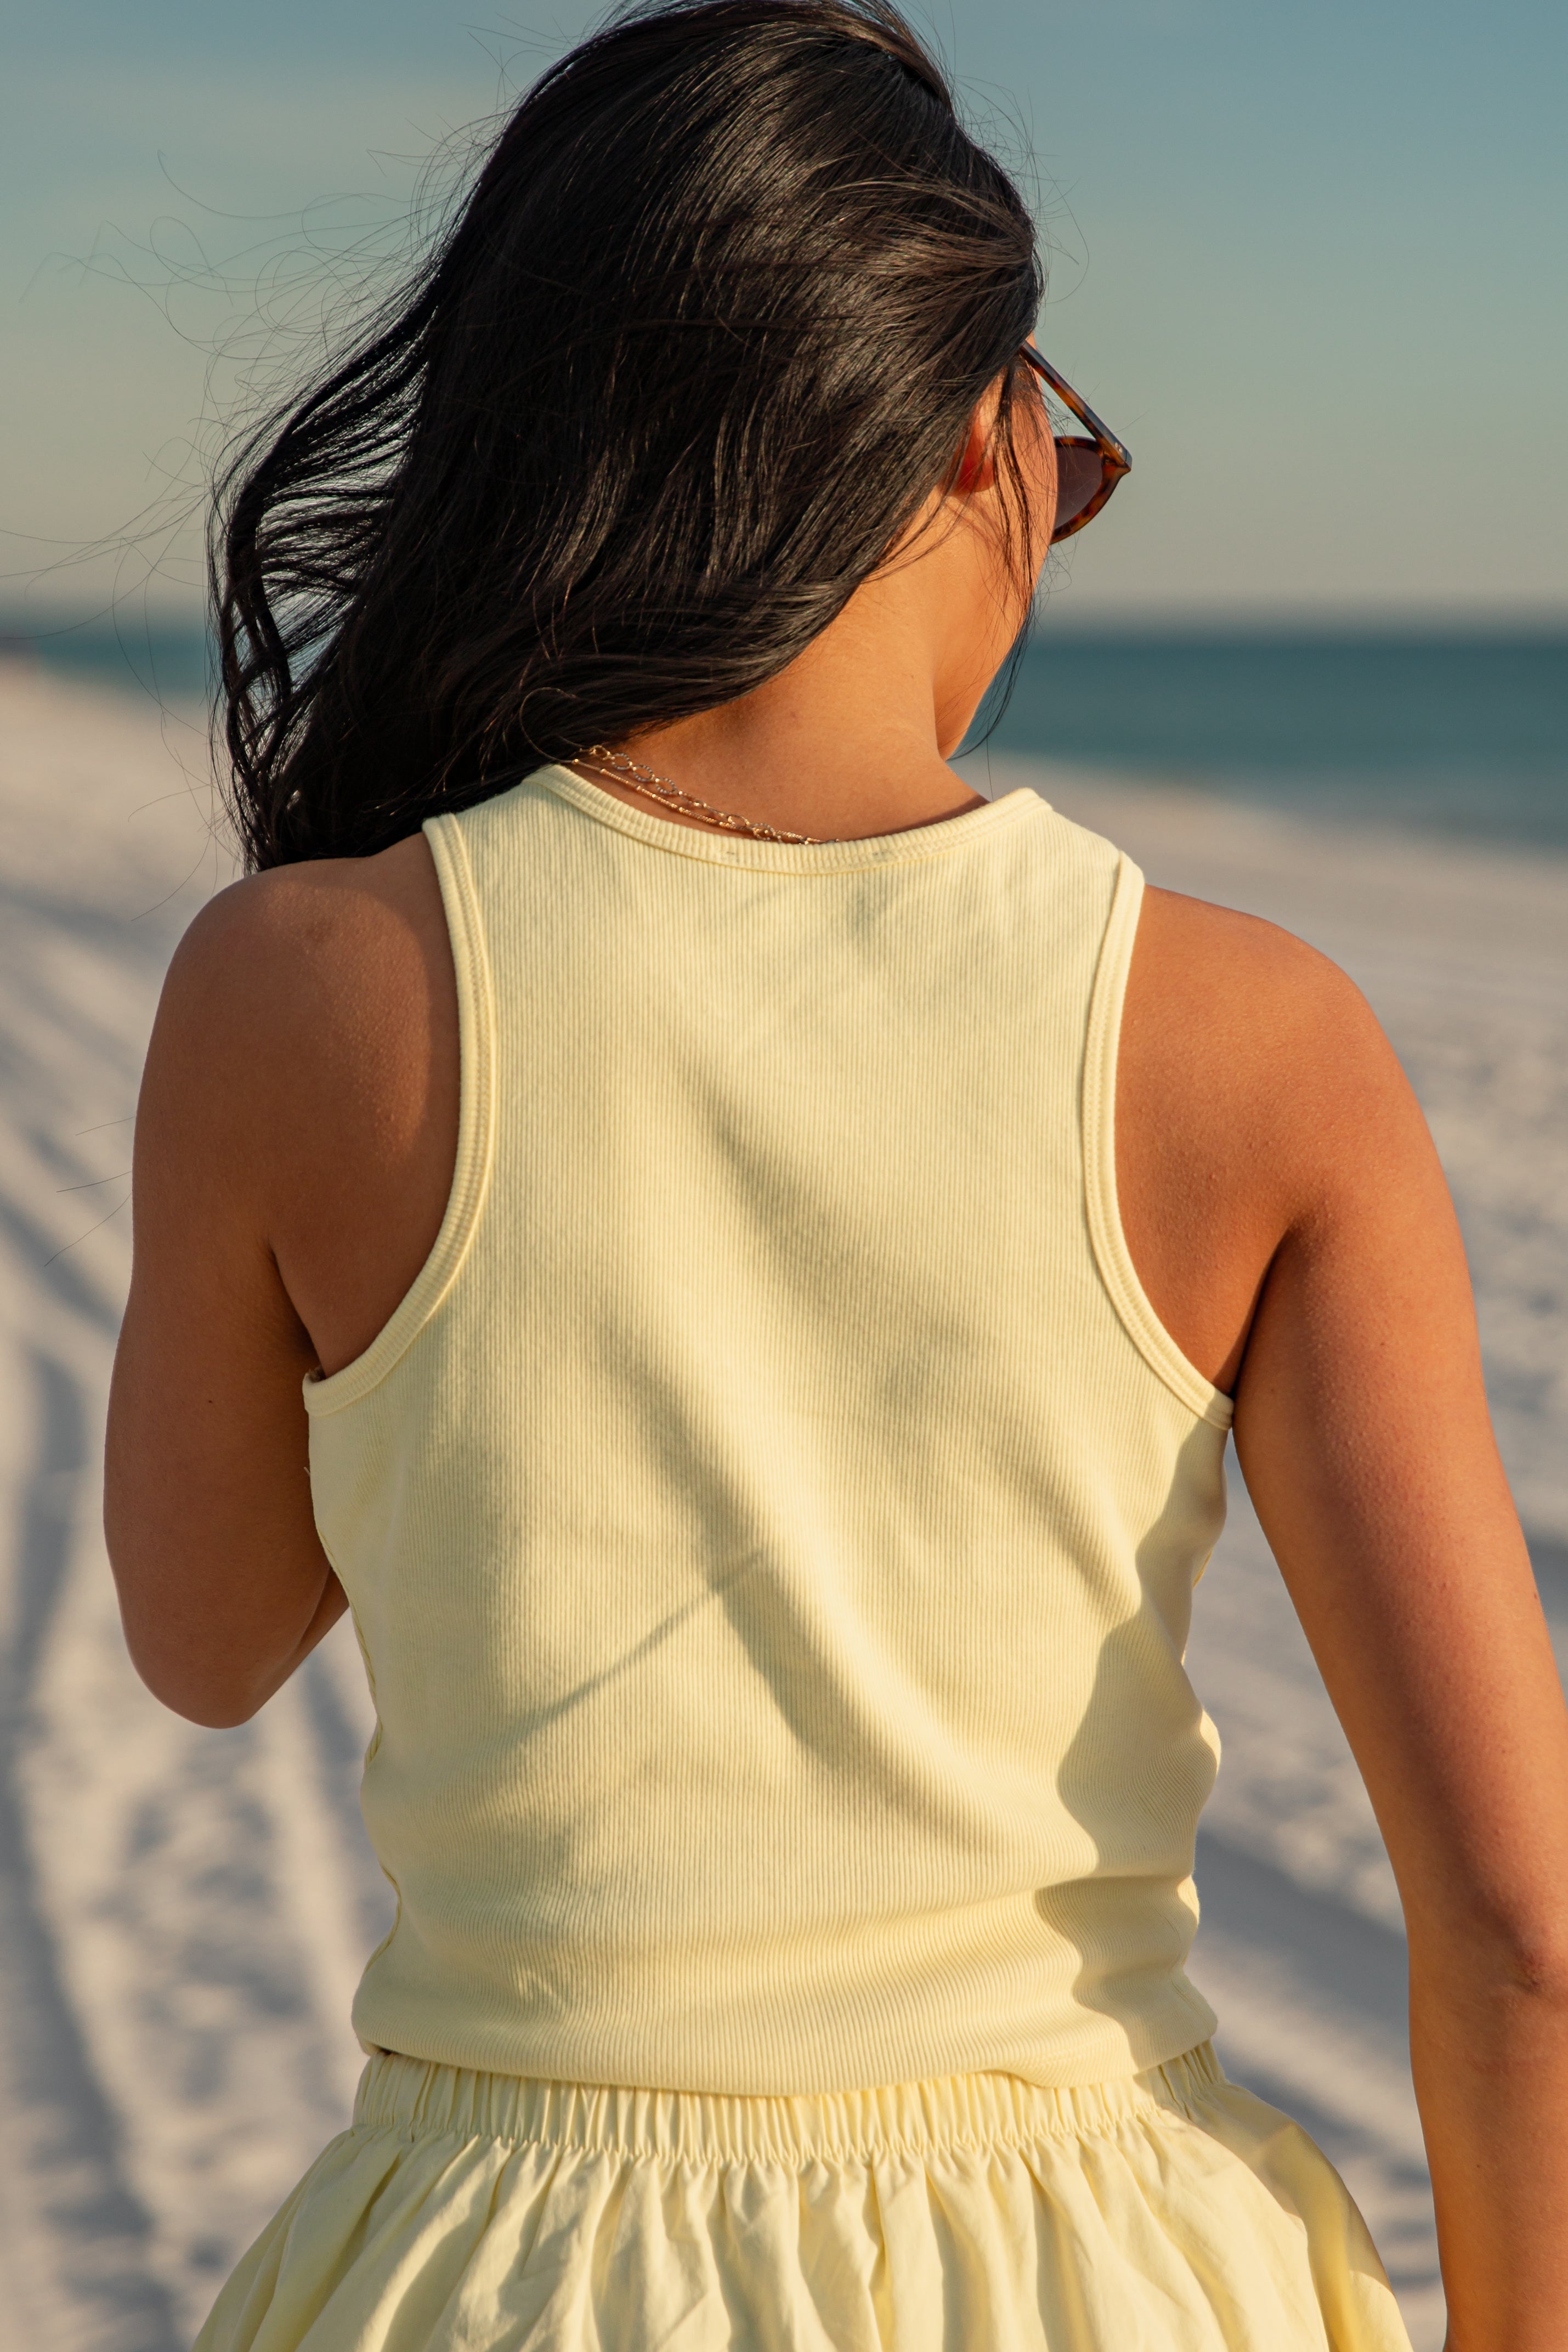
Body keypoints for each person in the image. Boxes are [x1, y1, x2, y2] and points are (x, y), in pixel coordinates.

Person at [105, 3, 1568, 2345]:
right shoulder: (1249, 1038)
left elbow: (200, 1638)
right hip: (1109, 2269)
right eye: (1063, 469)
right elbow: (1519, 1926)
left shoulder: (301, 989)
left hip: (511, 2266)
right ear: (975, 439)